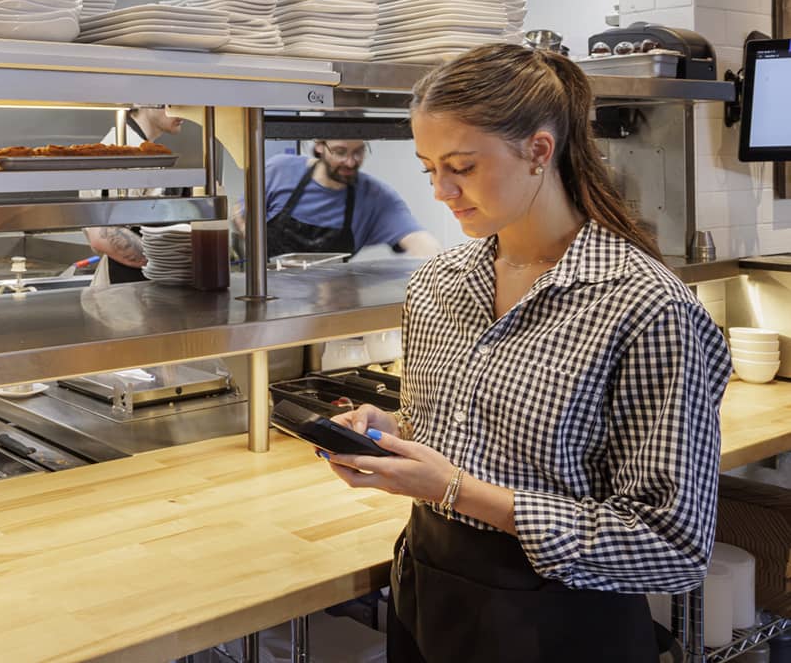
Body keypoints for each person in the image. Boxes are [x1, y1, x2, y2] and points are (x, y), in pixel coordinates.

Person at [320, 45, 731, 663]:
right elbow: (486, 436)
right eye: (429, 166)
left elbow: (670, 545)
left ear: (539, 151)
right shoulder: (437, 282)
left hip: (560, 624)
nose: (440, 190)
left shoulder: (645, 305)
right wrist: (394, 434)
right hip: (429, 595)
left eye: (461, 165)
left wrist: (455, 488)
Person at [238, 139, 440, 258]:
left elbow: (417, 238)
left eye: (359, 151)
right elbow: (241, 215)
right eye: (340, 152)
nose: (351, 162)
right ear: (319, 146)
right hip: (270, 300)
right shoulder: (279, 170)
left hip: (331, 307)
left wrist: (444, 273)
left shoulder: (375, 197)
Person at [83, 105, 184, 285]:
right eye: (172, 100)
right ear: (141, 101)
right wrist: (174, 265)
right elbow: (102, 234)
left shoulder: (143, 148)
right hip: (122, 296)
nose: (183, 110)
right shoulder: (126, 147)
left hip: (136, 289)